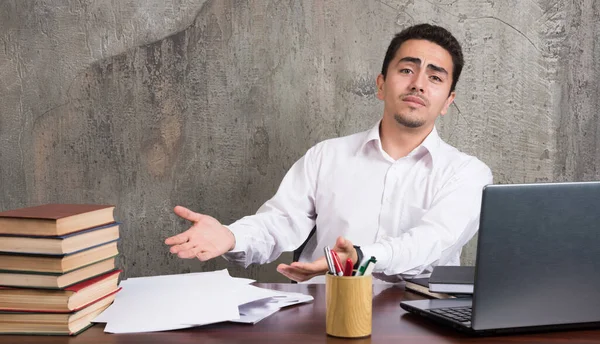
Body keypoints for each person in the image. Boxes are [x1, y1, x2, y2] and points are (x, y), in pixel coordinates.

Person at [165, 23, 493, 283]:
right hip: (320, 313)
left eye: (435, 77)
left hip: (418, 319)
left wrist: (359, 259)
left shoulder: (467, 173)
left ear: (449, 101)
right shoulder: (326, 156)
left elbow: (433, 240)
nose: (418, 84)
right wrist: (231, 236)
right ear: (381, 85)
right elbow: (278, 223)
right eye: (407, 70)